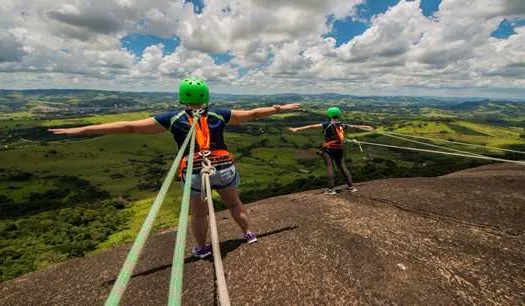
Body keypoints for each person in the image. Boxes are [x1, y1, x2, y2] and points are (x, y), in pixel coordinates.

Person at [49, 77, 301, 258]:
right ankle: (249, 234)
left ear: (182, 97)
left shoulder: (173, 118)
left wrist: (81, 129)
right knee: (235, 204)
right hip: (224, 167)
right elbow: (255, 113)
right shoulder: (219, 114)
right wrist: (280, 108)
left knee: (200, 214)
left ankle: (202, 248)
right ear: (207, 96)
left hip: (194, 173)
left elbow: (128, 126)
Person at [289, 107, 373, 195]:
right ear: (338, 114)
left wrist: (297, 129)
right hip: (339, 148)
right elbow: (354, 126)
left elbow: (312, 126)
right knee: (343, 167)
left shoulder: (327, 124)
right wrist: (366, 126)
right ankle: (351, 187)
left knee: (330, 167)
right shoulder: (341, 125)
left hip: (328, 149)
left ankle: (331, 190)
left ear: (329, 115)